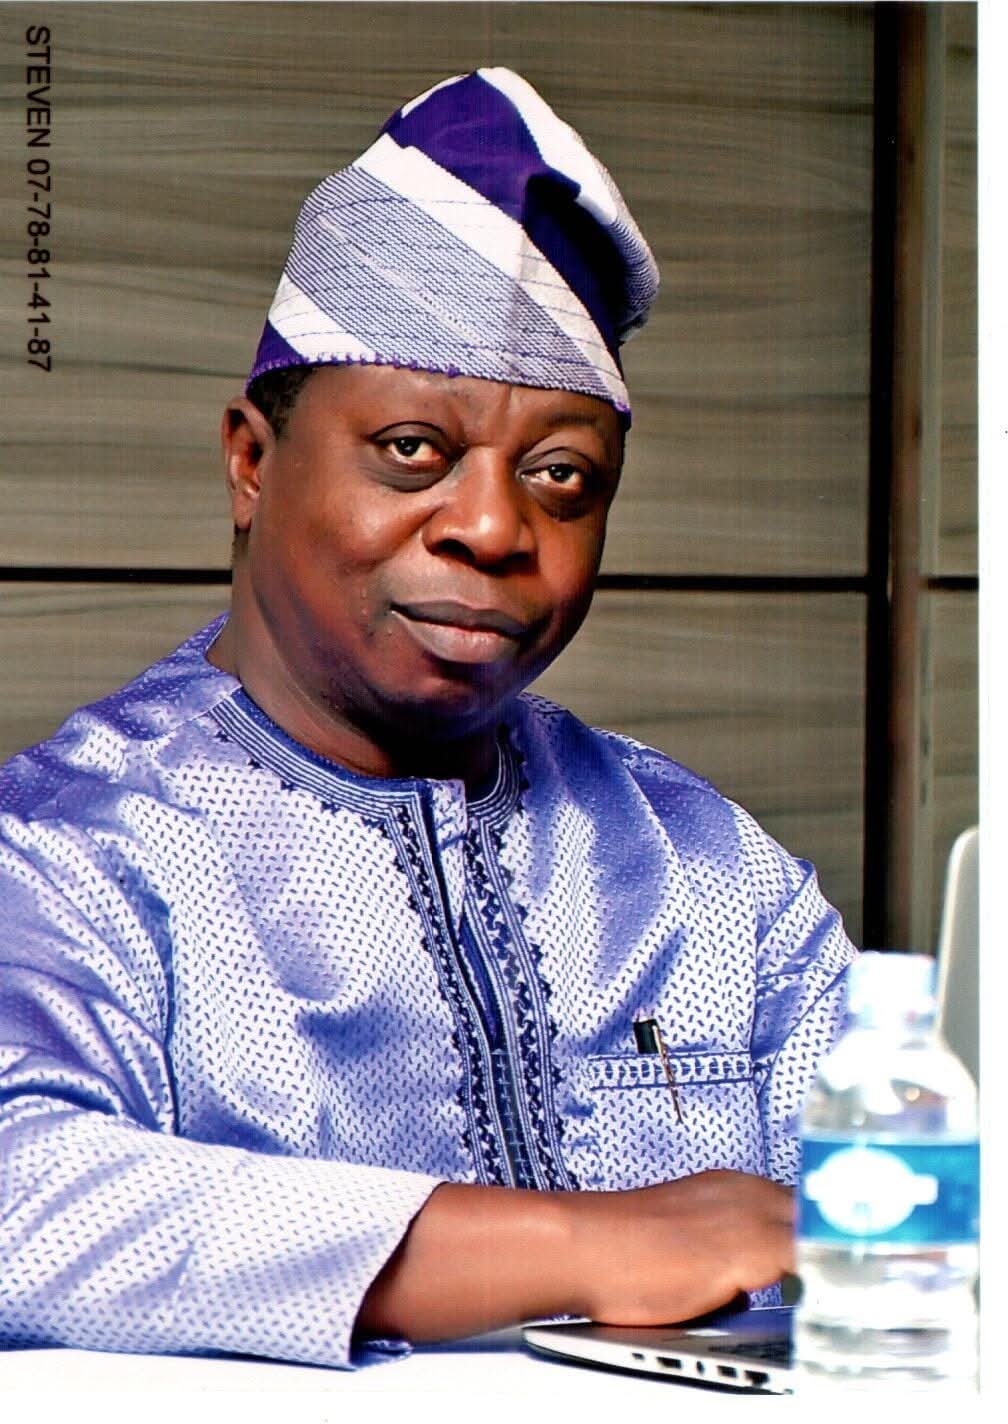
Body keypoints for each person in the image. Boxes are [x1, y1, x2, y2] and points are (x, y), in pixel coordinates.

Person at [0, 68, 855, 1370]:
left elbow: (917, 1199)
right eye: (412, 449)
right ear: (251, 459)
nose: (495, 527)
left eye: (562, 475)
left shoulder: (709, 874)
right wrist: (588, 1246)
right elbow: (20, 1198)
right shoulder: (71, 851)